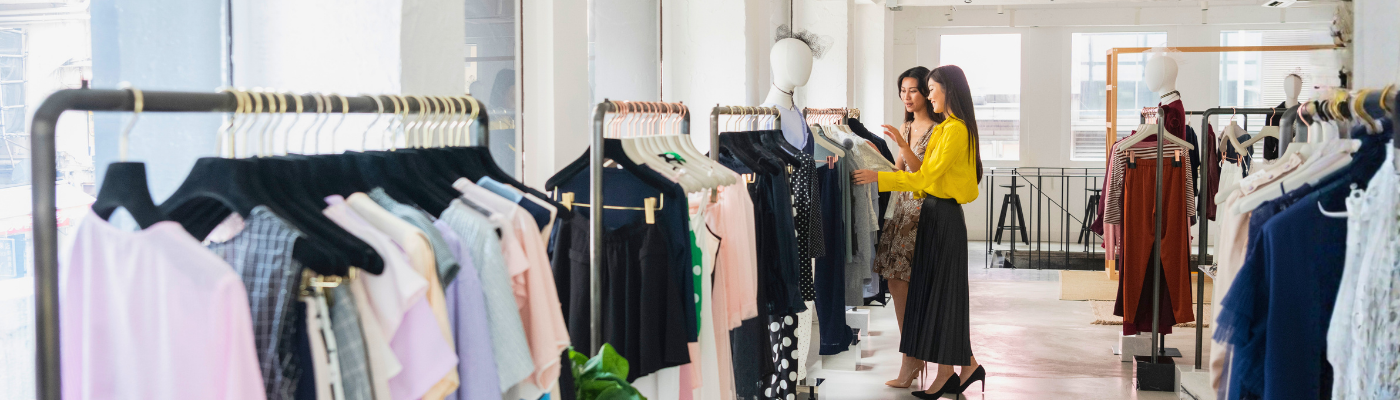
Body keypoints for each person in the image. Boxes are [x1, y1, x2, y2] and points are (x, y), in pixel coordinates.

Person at [853, 65, 986, 399]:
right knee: (937, 294)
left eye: (930, 88)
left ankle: (953, 371)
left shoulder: (954, 131)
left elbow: (924, 179)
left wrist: (879, 178)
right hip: (933, 213)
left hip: (943, 215)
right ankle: (958, 369)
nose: (927, 95)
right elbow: (922, 175)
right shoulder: (949, 129)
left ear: (949, 89)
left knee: (943, 294)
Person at [874, 66, 940, 389]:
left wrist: (903, 144)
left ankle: (914, 357)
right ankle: (911, 355)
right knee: (895, 281)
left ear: (926, 92)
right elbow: (897, 172)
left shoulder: (935, 130)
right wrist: (878, 157)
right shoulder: (907, 126)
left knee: (914, 283)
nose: (906, 96)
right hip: (900, 211)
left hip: (922, 211)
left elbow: (921, 175)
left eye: (912, 90)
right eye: (902, 91)